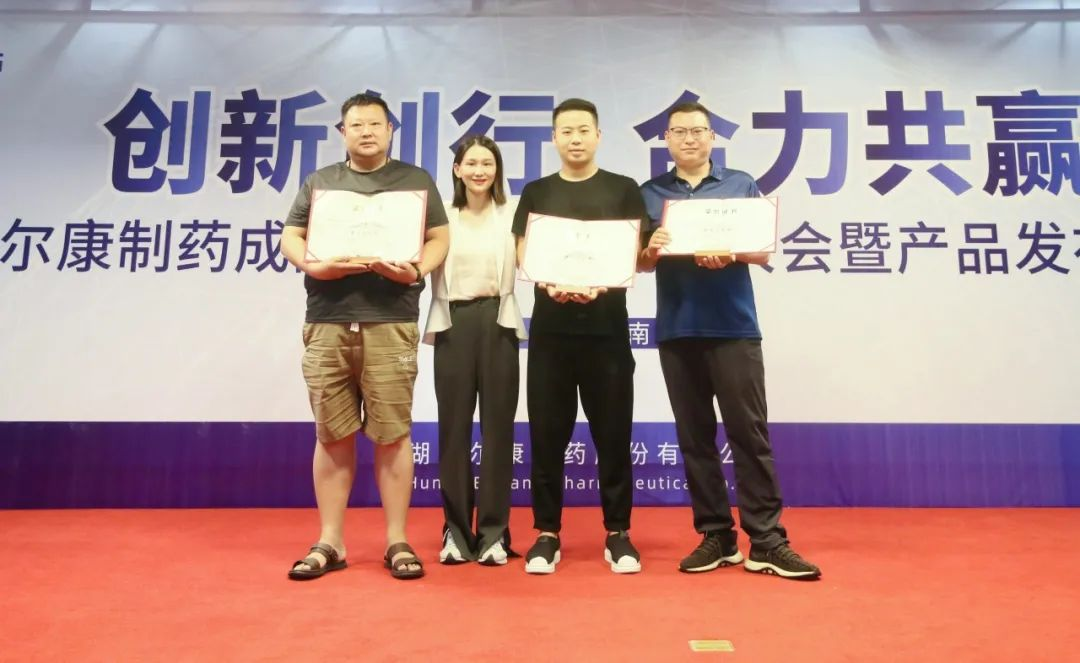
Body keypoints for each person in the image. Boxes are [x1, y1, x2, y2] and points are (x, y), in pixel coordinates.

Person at [638, 101, 821, 580]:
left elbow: (761, 251)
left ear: (712, 137)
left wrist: (732, 251)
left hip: (734, 327)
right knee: (694, 438)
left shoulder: (740, 184)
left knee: (749, 434)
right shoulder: (650, 193)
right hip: (678, 329)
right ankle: (716, 534)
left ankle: (767, 540)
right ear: (666, 139)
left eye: (698, 130)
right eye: (679, 131)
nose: (689, 139)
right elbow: (639, 263)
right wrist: (651, 249)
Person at [279, 93, 449, 581]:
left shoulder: (415, 181)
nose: (367, 131)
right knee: (332, 433)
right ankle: (330, 540)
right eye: (357, 125)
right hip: (328, 320)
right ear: (343, 132)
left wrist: (416, 269)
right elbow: (291, 235)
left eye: (376, 123)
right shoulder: (321, 182)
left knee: (393, 435)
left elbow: (439, 237)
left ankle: (397, 539)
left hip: (390, 320)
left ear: (390, 129)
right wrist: (314, 265)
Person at [511, 98, 648, 575]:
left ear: (598, 136)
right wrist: (546, 280)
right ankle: (546, 533)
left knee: (613, 433)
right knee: (547, 435)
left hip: (607, 332)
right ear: (554, 138)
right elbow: (524, 250)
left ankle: (618, 532)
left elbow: (635, 254)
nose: (575, 138)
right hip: (551, 333)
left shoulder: (623, 189)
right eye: (566, 131)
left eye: (583, 130)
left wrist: (606, 280)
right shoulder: (537, 192)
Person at [423, 135, 527, 566]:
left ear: (497, 169)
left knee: (498, 430)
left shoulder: (514, 212)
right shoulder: (441, 216)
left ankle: (494, 532)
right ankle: (455, 531)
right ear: (457, 170)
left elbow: (538, 256)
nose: (479, 170)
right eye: (471, 163)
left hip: (499, 321)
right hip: (454, 322)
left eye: (488, 163)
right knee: (453, 430)